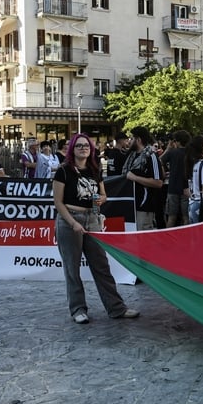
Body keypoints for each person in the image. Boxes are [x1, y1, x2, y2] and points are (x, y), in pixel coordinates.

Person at [52, 133, 139, 324]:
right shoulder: (64, 171)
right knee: (72, 268)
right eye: (79, 146)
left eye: (86, 146)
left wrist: (102, 199)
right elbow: (58, 202)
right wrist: (72, 222)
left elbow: (103, 194)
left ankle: (116, 308)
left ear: (91, 149)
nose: (83, 148)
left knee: (102, 266)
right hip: (69, 220)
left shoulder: (94, 169)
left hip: (92, 219)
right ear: (72, 149)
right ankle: (78, 309)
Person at [123, 126, 163, 230]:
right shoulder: (130, 156)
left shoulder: (151, 157)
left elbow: (158, 183)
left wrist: (135, 178)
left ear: (138, 140)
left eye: (131, 139)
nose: (129, 142)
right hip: (130, 205)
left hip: (144, 207)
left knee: (142, 237)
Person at [160, 130, 191, 227]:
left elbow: (159, 161)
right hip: (187, 187)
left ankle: (169, 238)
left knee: (171, 217)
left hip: (173, 187)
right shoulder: (190, 153)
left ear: (176, 141)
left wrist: (168, 149)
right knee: (186, 217)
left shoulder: (172, 153)